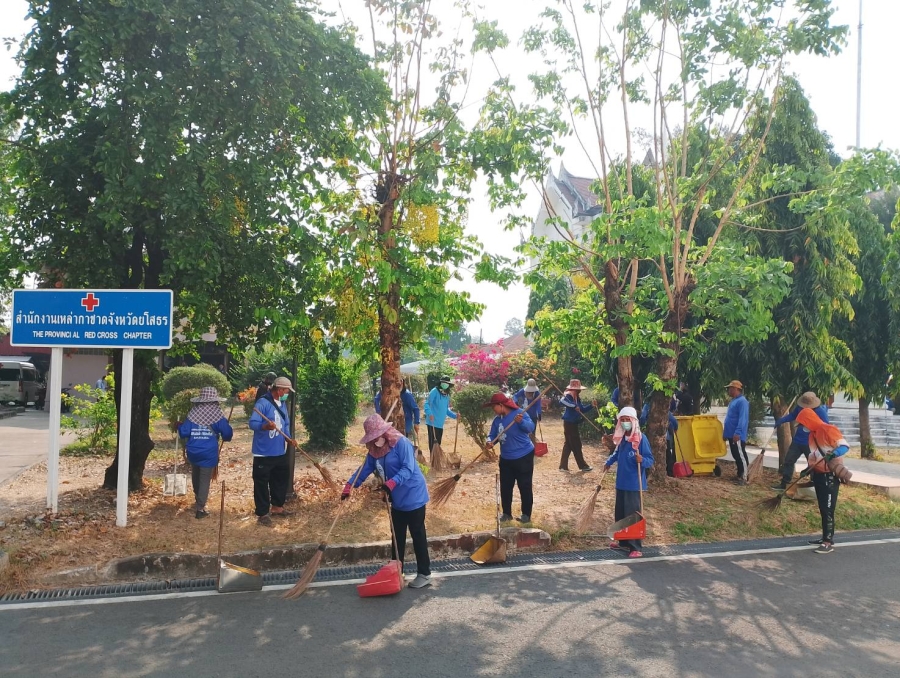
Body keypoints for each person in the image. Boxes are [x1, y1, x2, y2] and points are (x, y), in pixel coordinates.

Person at [342, 414, 432, 588]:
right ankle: (397, 571)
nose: (374, 441)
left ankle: (424, 573)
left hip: (413, 494)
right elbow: (364, 469)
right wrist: (349, 486)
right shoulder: (374, 451)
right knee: (397, 537)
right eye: (372, 438)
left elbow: (409, 468)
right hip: (396, 498)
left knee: (417, 533)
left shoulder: (401, 443)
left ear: (383, 433)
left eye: (376, 437)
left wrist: (391, 483)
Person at [795, 407, 852, 554]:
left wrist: (833, 455)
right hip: (818, 475)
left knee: (828, 510)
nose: (803, 428)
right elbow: (814, 456)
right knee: (822, 508)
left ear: (808, 420)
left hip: (830, 477)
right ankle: (824, 537)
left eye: (803, 424)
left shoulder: (828, 429)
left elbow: (844, 446)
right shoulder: (812, 435)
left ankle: (827, 542)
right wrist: (807, 469)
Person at [604, 406, 653, 558]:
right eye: (622, 420)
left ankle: (635, 546)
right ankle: (623, 542)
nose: (625, 423)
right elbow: (616, 453)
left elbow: (650, 460)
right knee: (621, 513)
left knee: (633, 515)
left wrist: (642, 460)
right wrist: (608, 462)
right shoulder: (621, 439)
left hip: (634, 483)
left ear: (633, 422)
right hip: (621, 482)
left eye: (627, 420)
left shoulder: (640, 439)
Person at [177, 387, 233, 519]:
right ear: (214, 401)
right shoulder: (217, 416)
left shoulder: (192, 415)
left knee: (196, 474)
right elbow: (228, 434)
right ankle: (200, 508)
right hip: (208, 453)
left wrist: (178, 425)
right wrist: (224, 435)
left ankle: (198, 498)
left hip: (193, 452)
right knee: (204, 479)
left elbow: (183, 432)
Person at [248, 376, 294, 526]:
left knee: (280, 480)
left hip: (280, 451)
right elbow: (253, 423)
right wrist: (265, 426)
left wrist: (288, 437)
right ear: (279, 390)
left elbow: (285, 424)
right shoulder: (263, 403)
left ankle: (277, 507)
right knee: (261, 483)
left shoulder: (283, 403)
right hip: (264, 452)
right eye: (287, 390)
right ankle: (262, 513)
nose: (288, 393)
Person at [483, 391, 536, 523]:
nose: (493, 409)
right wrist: (489, 441)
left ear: (501, 405)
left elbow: (530, 427)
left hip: (523, 455)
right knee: (506, 486)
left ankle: (526, 515)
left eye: (494, 406)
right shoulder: (497, 421)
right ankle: (507, 513)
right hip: (506, 458)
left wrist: (521, 422)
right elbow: (492, 435)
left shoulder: (519, 413)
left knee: (525, 485)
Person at [771, 391, 830, 491]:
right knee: (789, 460)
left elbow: (826, 427)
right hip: (797, 441)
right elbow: (792, 416)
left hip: (811, 443)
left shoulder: (820, 412)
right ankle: (785, 484)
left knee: (812, 466)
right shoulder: (800, 408)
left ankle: (814, 486)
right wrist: (781, 420)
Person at [559, 379, 596, 472]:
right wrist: (573, 406)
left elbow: (582, 409)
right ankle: (583, 466)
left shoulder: (577, 397)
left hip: (574, 423)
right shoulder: (569, 395)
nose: (578, 391)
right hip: (569, 423)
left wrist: (591, 406)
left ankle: (563, 466)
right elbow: (562, 401)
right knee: (576, 445)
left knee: (568, 444)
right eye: (577, 389)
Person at [640, 400, 679, 477]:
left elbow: (642, 418)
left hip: (649, 436)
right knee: (668, 455)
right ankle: (670, 473)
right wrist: (675, 428)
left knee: (647, 455)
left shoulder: (647, 406)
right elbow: (674, 421)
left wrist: (642, 425)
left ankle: (647, 473)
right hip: (664, 437)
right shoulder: (663, 406)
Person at [723, 379, 750, 485]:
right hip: (731, 433)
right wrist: (726, 433)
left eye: (730, 388)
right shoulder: (733, 401)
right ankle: (740, 474)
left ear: (735, 389)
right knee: (735, 454)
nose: (728, 391)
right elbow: (730, 418)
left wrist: (738, 432)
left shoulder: (742, 402)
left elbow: (742, 419)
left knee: (740, 454)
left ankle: (745, 477)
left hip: (737, 434)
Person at [424, 375, 457, 452]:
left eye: (447, 383)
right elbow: (427, 404)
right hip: (432, 422)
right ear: (441, 383)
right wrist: (430, 414)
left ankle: (437, 462)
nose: (445, 384)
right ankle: (433, 461)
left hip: (440, 424)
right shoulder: (434, 391)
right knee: (433, 445)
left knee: (438, 444)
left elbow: (446, 410)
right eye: (444, 382)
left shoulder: (446, 395)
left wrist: (455, 416)